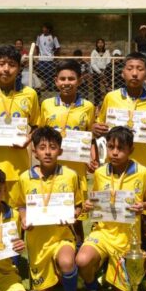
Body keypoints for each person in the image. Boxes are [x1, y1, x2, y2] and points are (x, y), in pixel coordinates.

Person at [93, 52, 146, 252]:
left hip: (141, 165)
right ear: (123, 73)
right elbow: (101, 128)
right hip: (114, 166)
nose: (134, 73)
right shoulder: (111, 97)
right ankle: (109, 253)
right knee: (111, 209)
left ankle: (144, 261)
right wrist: (96, 129)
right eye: (130, 68)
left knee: (143, 215)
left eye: (140, 69)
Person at [77, 126, 146, 291]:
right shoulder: (100, 172)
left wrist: (141, 207)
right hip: (103, 232)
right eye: (111, 147)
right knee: (82, 260)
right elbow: (95, 200)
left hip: (128, 238)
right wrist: (88, 205)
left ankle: (131, 276)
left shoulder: (142, 172)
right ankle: (93, 289)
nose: (114, 152)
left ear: (131, 149)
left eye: (120, 148)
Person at [10, 127, 82, 291]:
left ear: (60, 150)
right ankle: (57, 276)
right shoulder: (25, 178)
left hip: (61, 237)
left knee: (67, 261)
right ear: (34, 152)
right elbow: (19, 205)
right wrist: (24, 217)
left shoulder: (70, 176)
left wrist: (72, 215)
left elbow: (78, 207)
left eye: (53, 147)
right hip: (38, 242)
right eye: (42, 147)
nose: (47, 152)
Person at [39, 59, 96, 244]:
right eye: (62, 78)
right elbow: (41, 135)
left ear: (79, 81)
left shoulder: (87, 106)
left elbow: (90, 137)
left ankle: (78, 250)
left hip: (77, 170)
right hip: (52, 169)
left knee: (77, 216)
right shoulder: (47, 104)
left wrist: (92, 158)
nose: (66, 82)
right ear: (56, 81)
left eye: (71, 78)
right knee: (52, 212)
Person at [0, 45, 40, 197]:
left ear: (18, 68)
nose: (6, 69)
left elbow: (36, 126)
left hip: (18, 168)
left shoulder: (30, 94)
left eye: (12, 65)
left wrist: (28, 139)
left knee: (17, 215)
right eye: (2, 64)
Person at [90, 38, 111, 104]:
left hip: (106, 71)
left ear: (104, 44)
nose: (100, 44)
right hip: (96, 72)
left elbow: (108, 61)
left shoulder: (107, 52)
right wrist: (99, 72)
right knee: (96, 88)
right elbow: (93, 63)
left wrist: (104, 71)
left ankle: (107, 102)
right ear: (96, 44)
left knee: (107, 87)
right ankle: (97, 103)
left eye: (102, 43)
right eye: (99, 43)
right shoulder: (94, 52)